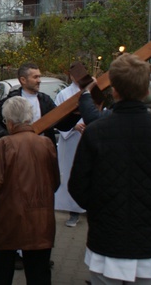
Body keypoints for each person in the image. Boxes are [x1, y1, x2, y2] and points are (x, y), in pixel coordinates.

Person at [68, 54, 151, 285]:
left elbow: (78, 187)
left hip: (106, 241)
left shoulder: (96, 132)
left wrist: (100, 209)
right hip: (149, 241)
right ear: (146, 90)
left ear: (114, 90)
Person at [0, 96, 60, 285]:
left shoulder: (4, 144)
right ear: (29, 118)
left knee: (2, 270)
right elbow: (55, 182)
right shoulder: (46, 144)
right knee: (39, 273)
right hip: (41, 221)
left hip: (9, 221)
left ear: (10, 122)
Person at [0, 62, 80, 146]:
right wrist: (8, 137)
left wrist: (76, 113)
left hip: (43, 151)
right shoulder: (13, 101)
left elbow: (62, 125)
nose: (39, 80)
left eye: (39, 76)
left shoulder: (45, 100)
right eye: (35, 77)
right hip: (19, 153)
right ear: (23, 80)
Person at [53, 66, 86, 228]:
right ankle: (73, 210)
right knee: (70, 173)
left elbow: (101, 110)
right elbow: (57, 118)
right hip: (71, 140)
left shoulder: (91, 90)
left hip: (88, 138)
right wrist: (73, 127)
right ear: (71, 75)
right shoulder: (63, 95)